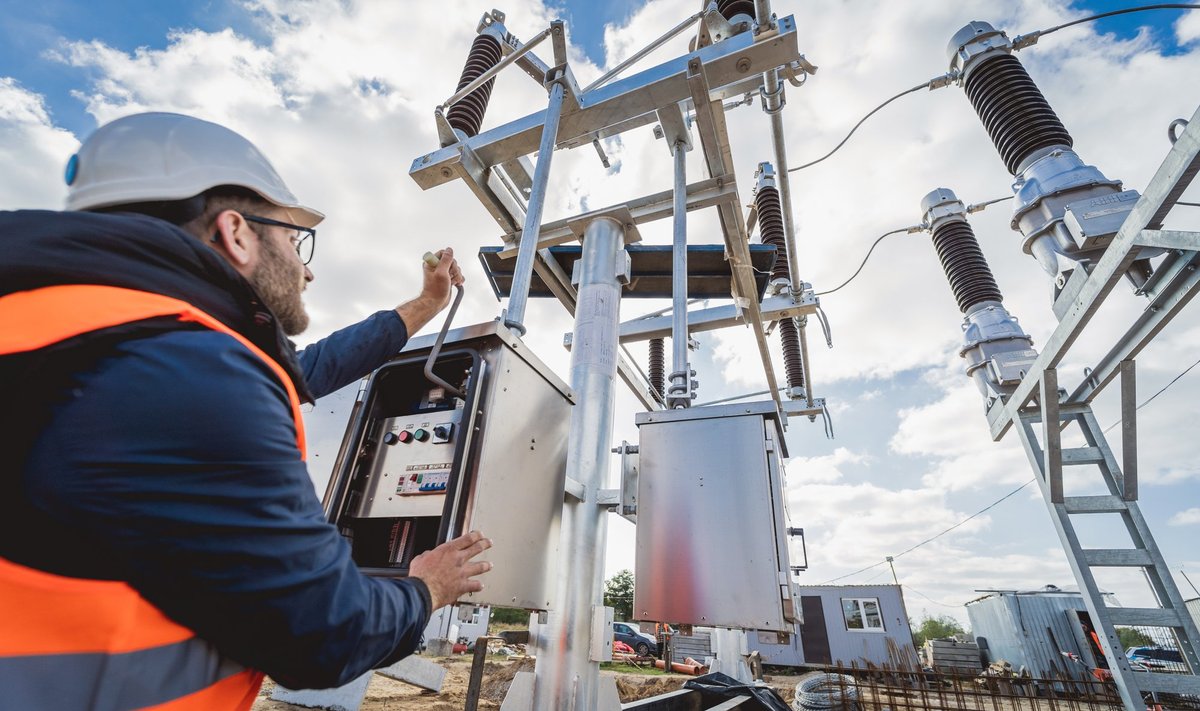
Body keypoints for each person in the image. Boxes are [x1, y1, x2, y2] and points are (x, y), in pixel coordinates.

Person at [0, 112, 493, 710]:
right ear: (236, 232)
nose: (306, 268)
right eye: (293, 240)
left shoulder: (76, 330)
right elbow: (322, 630)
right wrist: (425, 590)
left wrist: (424, 305)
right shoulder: (187, 368)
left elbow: (304, 371)